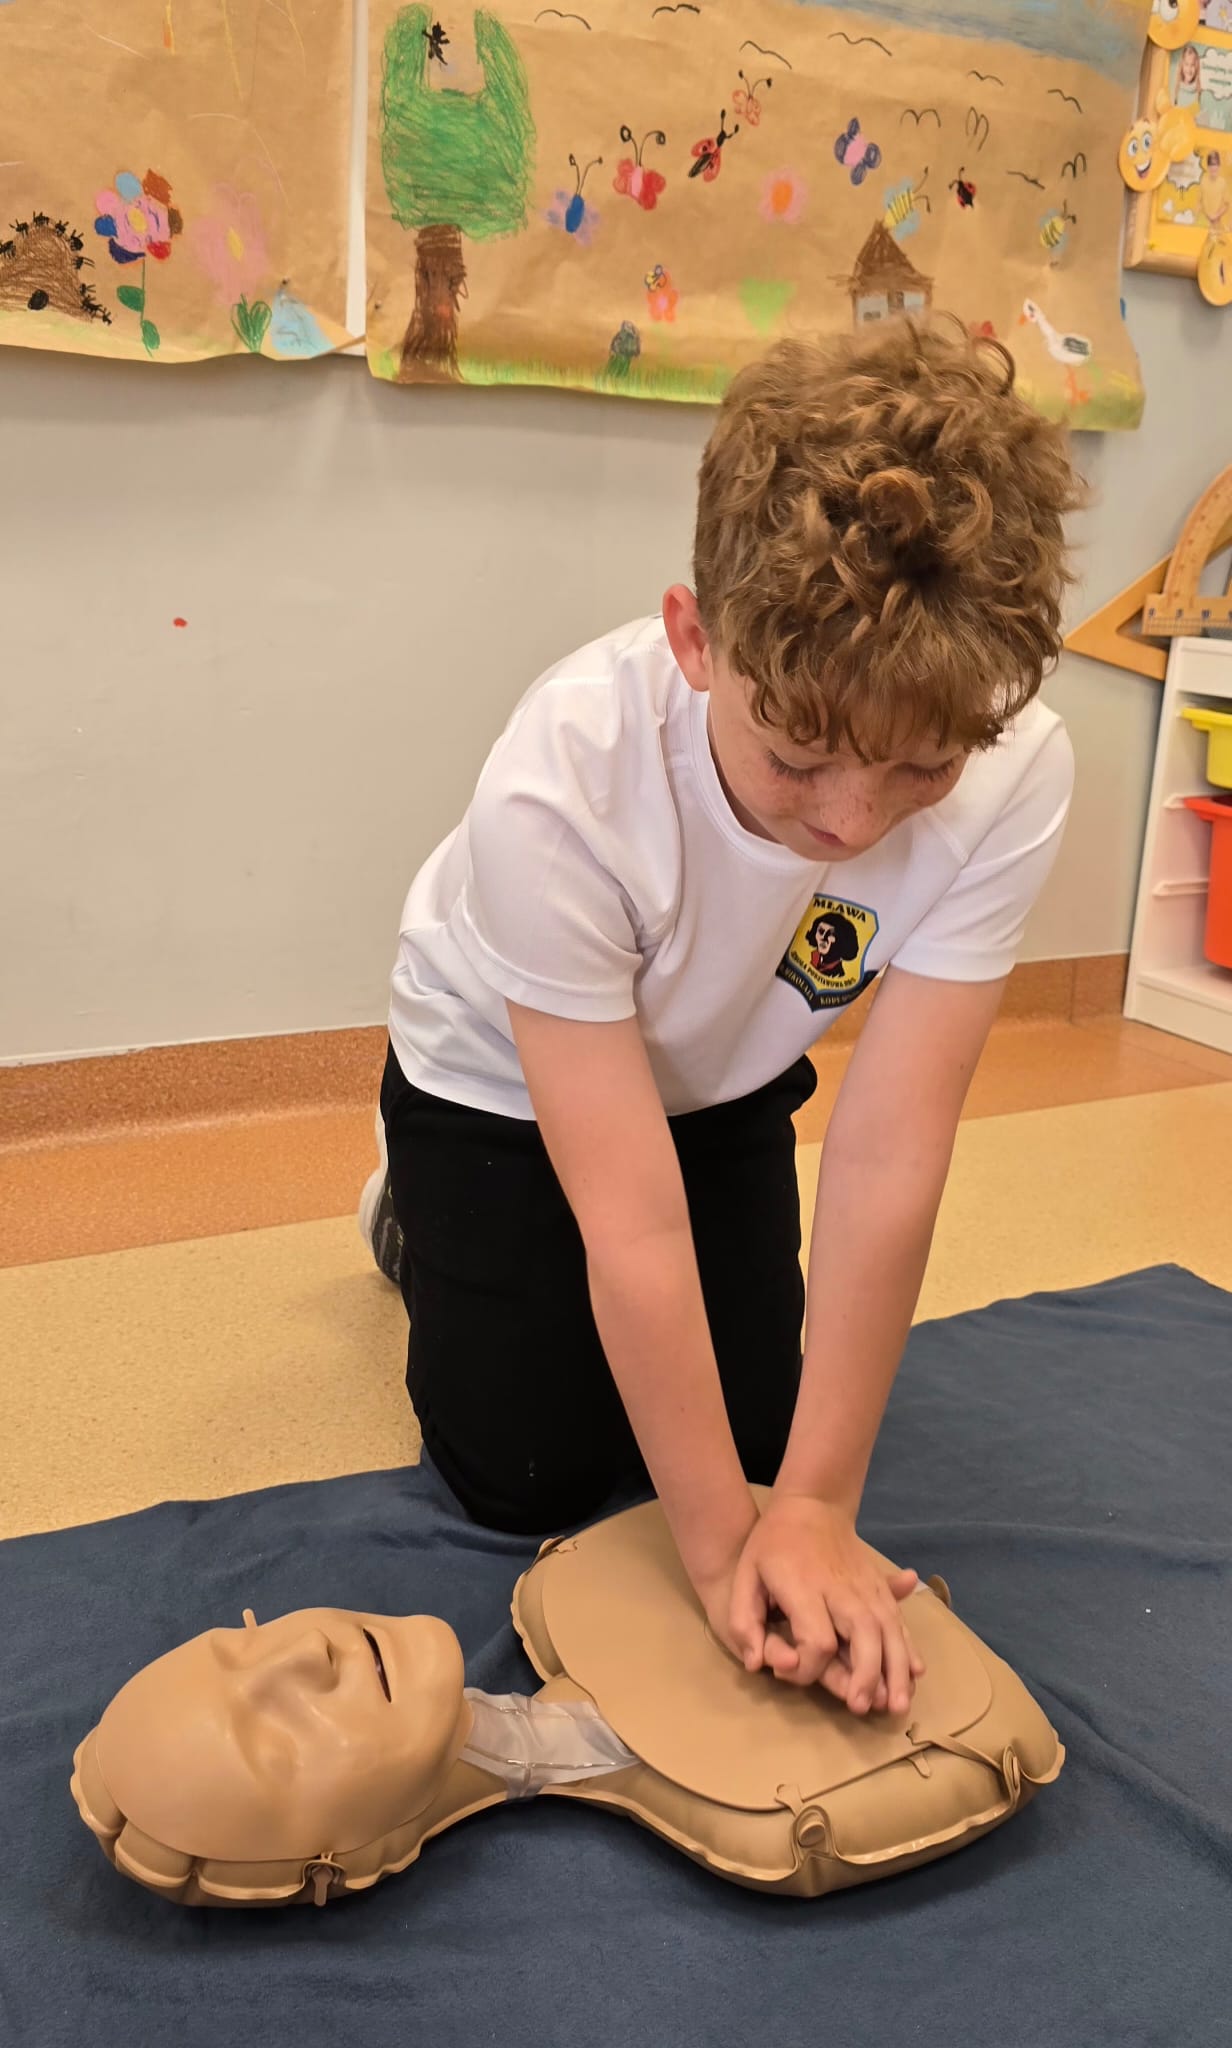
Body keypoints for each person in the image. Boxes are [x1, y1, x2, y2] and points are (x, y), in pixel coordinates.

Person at [359, 316, 1081, 1725]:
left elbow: (890, 1149)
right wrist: (718, 1556)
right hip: (498, 1077)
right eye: (799, 759)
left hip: (725, 1069)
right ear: (697, 640)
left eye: (921, 770)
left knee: (755, 1440)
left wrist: (810, 1507)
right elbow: (630, 1221)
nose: (852, 822)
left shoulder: (1016, 767)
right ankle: (408, 1218)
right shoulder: (564, 780)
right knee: (524, 1479)